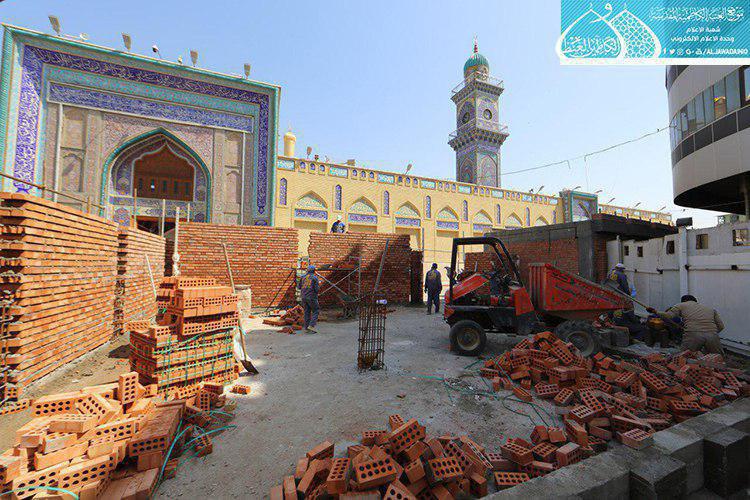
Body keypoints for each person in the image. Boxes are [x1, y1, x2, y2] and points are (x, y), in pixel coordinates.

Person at [647, 295, 725, 354]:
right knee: (718, 360)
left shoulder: (681, 305)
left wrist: (655, 311)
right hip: (712, 335)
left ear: (684, 301)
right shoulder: (710, 309)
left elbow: (668, 315)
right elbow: (721, 326)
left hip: (693, 334)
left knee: (684, 357)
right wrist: (710, 333)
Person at [298, 265, 320, 333]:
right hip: (312, 297)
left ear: (307, 270)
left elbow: (299, 287)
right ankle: (311, 326)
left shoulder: (302, 277)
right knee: (316, 310)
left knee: (307, 312)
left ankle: (306, 328)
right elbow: (317, 289)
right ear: (314, 271)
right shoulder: (315, 278)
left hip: (303, 297)